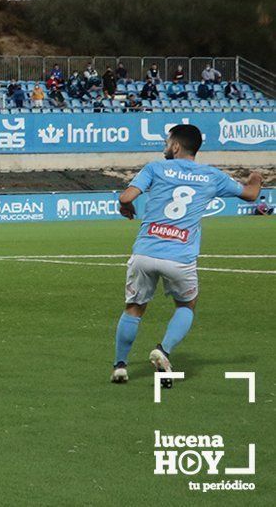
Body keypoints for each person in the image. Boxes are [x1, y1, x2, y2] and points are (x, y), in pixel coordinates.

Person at [110, 124, 262, 385]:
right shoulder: (211, 175)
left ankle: (120, 366)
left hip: (145, 252)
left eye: (168, 142)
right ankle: (163, 350)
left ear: (176, 146)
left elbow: (126, 196)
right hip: (180, 257)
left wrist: (126, 206)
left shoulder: (155, 167)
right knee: (186, 305)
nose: (165, 146)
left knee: (134, 308)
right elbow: (250, 194)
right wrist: (256, 178)